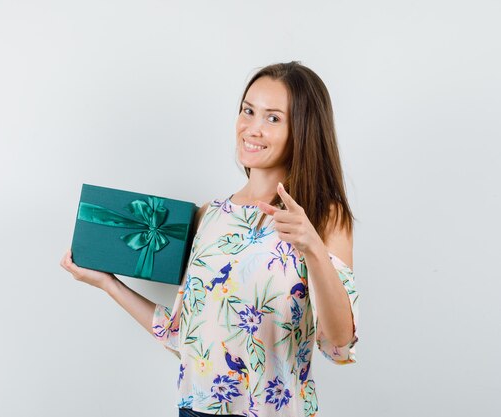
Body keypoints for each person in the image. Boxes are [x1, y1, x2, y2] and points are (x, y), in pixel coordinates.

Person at [60, 60, 359, 417]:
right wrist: (108, 283)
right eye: (248, 111)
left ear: (304, 131)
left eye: (273, 118)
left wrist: (311, 247)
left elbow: (338, 344)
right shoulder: (207, 216)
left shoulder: (325, 216)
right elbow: (184, 337)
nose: (252, 128)